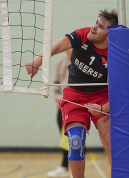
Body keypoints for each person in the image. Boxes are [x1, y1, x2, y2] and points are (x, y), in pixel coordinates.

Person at [26, 9, 118, 178]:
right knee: (75, 142)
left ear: (109, 36)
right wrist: (36, 61)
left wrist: (102, 107)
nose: (94, 27)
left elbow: (121, 92)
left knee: (111, 141)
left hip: (102, 97)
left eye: (101, 27)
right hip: (75, 96)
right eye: (96, 22)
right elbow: (55, 46)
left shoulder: (115, 53)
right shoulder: (82, 35)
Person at [47, 49, 72, 177]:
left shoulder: (78, 62)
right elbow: (56, 82)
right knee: (64, 138)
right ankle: (65, 167)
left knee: (70, 137)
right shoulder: (61, 62)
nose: (68, 49)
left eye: (70, 47)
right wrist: (57, 95)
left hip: (72, 105)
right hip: (61, 106)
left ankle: (66, 166)